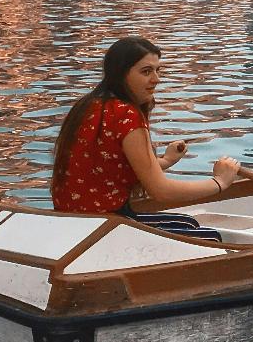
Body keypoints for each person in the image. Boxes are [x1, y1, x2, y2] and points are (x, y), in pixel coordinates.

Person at [50, 37, 240, 225]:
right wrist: (219, 182)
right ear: (122, 73)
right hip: (104, 225)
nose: (156, 79)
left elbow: (108, 169)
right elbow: (161, 191)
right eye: (146, 71)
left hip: (73, 222)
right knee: (210, 235)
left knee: (188, 223)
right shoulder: (126, 114)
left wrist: (166, 161)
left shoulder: (89, 105)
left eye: (157, 70)